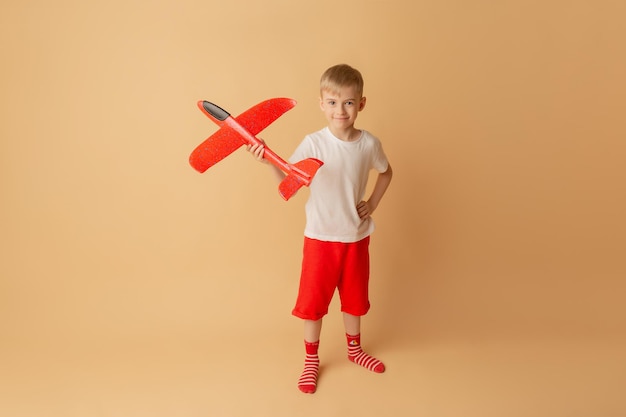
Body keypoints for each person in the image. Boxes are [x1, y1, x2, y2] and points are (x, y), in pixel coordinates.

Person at [247, 64, 393, 393]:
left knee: (355, 299)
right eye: (332, 102)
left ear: (361, 103)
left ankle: (354, 350)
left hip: (355, 237)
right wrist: (268, 160)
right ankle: (311, 360)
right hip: (320, 239)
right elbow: (289, 183)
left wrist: (372, 203)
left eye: (348, 103)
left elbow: (386, 173)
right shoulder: (313, 143)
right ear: (321, 104)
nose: (340, 110)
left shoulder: (369, 144)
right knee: (313, 303)